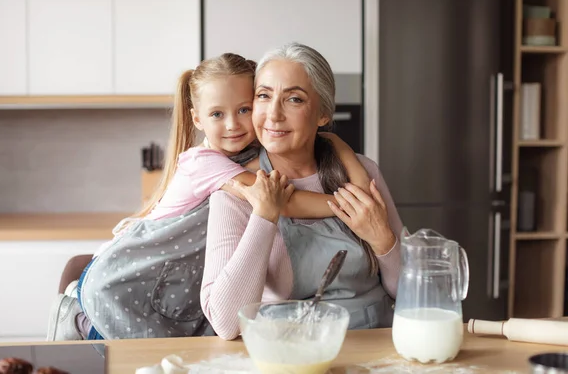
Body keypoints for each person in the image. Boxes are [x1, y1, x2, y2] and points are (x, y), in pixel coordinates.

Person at [46, 52, 374, 341]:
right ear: (197, 119)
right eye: (217, 114)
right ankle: (76, 318)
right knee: (125, 348)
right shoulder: (204, 163)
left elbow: (318, 146)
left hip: (170, 281)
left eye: (244, 109)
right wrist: (350, 206)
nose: (233, 125)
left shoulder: (253, 152)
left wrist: (338, 146)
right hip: (123, 277)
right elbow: (280, 202)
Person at [200, 42, 404, 340]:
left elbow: (415, 294)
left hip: (377, 345)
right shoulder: (236, 190)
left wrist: (382, 240)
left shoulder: (362, 172)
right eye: (263, 96)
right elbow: (226, 324)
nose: (273, 114)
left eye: (294, 99)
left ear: (322, 114)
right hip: (290, 354)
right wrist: (264, 216)